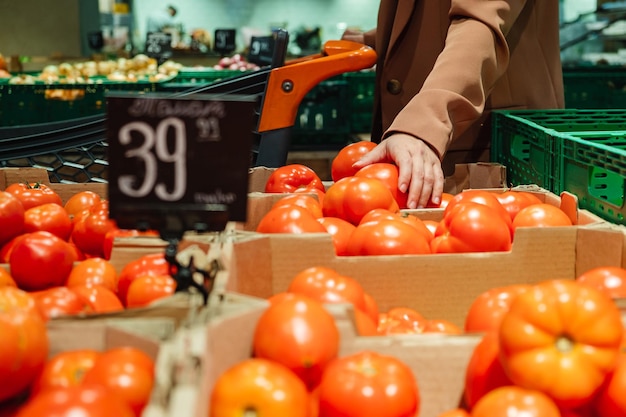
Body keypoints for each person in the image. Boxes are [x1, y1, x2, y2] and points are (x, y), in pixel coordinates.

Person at [343, 1, 564, 209]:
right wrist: (372, 39)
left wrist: (423, 124)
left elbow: (480, 22)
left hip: (490, 154)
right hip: (426, 151)